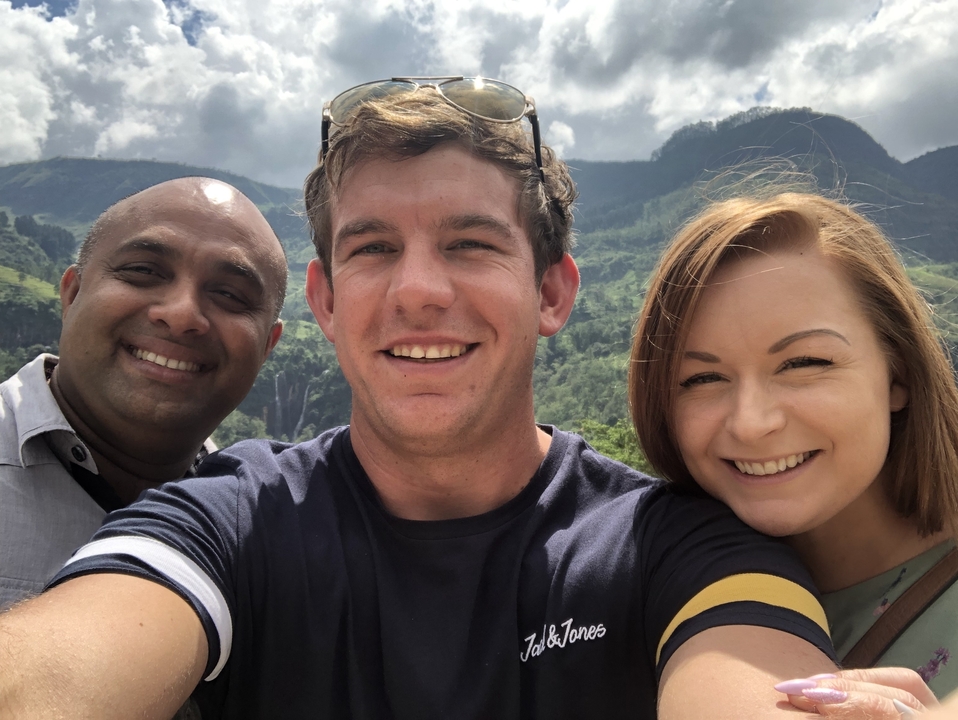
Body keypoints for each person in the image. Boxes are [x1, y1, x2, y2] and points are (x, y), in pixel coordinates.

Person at [0, 78, 911, 720]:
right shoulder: (227, 518)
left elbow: (751, 687)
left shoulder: (679, 546)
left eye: (471, 243)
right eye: (373, 248)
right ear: (323, 302)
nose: (419, 290)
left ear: (553, 293)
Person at [630, 192, 958, 706]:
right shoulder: (652, 586)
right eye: (703, 378)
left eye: (804, 363)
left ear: (898, 373)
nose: (752, 423)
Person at [0, 177, 287, 608]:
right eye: (144, 271)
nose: (181, 314)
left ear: (266, 347)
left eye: (229, 294)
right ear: (72, 293)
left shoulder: (270, 529)